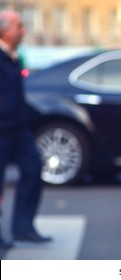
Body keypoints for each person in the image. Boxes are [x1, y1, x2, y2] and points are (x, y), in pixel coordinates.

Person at [0, 10, 52, 249]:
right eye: (19, 26)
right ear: (5, 30)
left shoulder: (13, 56)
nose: (23, 31)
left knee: (33, 170)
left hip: (18, 129)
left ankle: (23, 227)